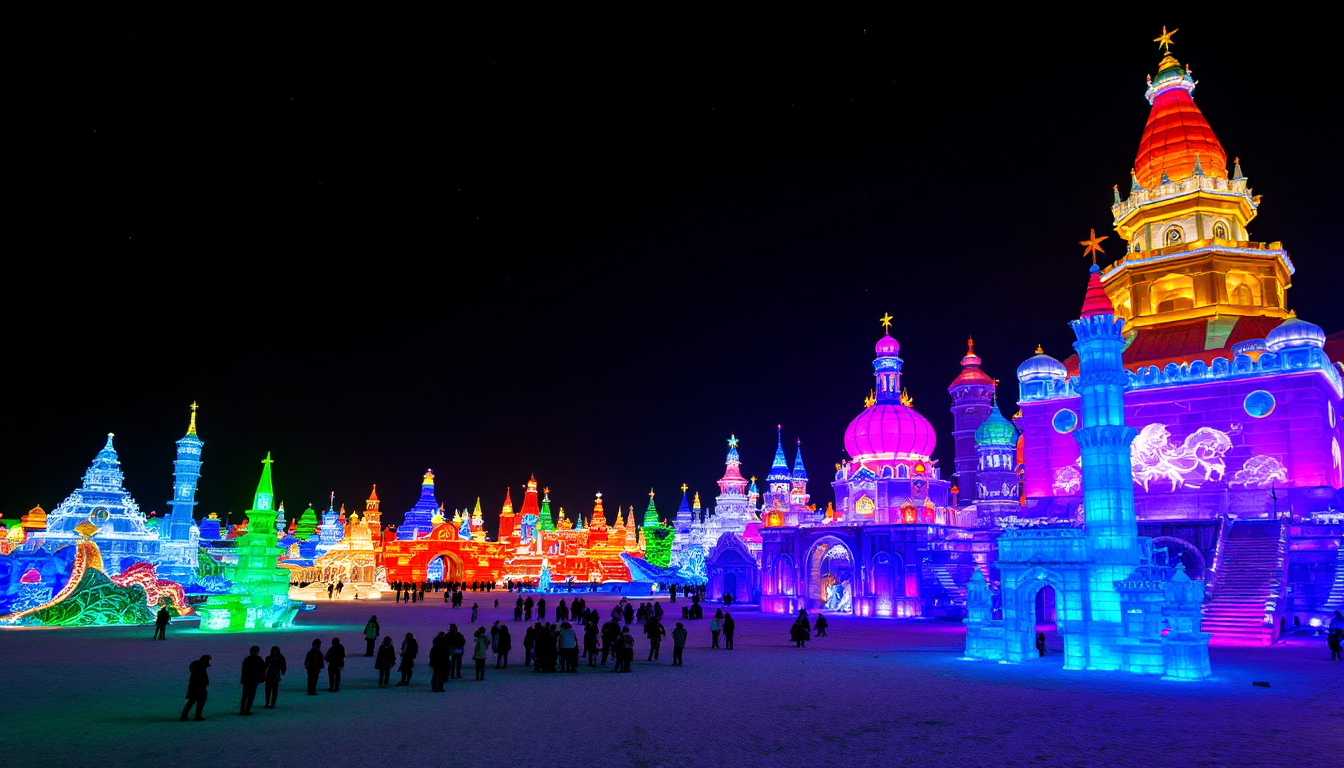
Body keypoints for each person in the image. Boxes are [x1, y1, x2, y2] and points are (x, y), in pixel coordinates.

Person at [181, 654, 211, 721]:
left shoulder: (199, 667)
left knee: (193, 702)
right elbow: (200, 678)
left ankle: (188, 716)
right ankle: (194, 716)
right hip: (198, 688)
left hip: (196, 688)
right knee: (195, 702)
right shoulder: (200, 668)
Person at [239, 645, 265, 715]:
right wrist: (262, 678)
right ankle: (247, 710)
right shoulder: (259, 660)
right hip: (254, 679)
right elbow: (262, 670)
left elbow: (244, 670)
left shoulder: (247, 659)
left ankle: (242, 710)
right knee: (251, 695)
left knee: (244, 696)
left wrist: (243, 679)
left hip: (247, 679)